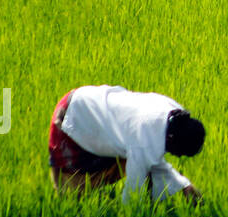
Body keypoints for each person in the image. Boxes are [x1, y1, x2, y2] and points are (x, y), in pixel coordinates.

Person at [47, 85, 204, 202]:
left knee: (144, 164)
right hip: (71, 119)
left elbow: (153, 160)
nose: (173, 154)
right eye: (178, 152)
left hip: (86, 97)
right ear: (172, 139)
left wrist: (184, 187)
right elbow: (132, 195)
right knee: (70, 195)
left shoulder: (174, 111)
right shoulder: (144, 141)